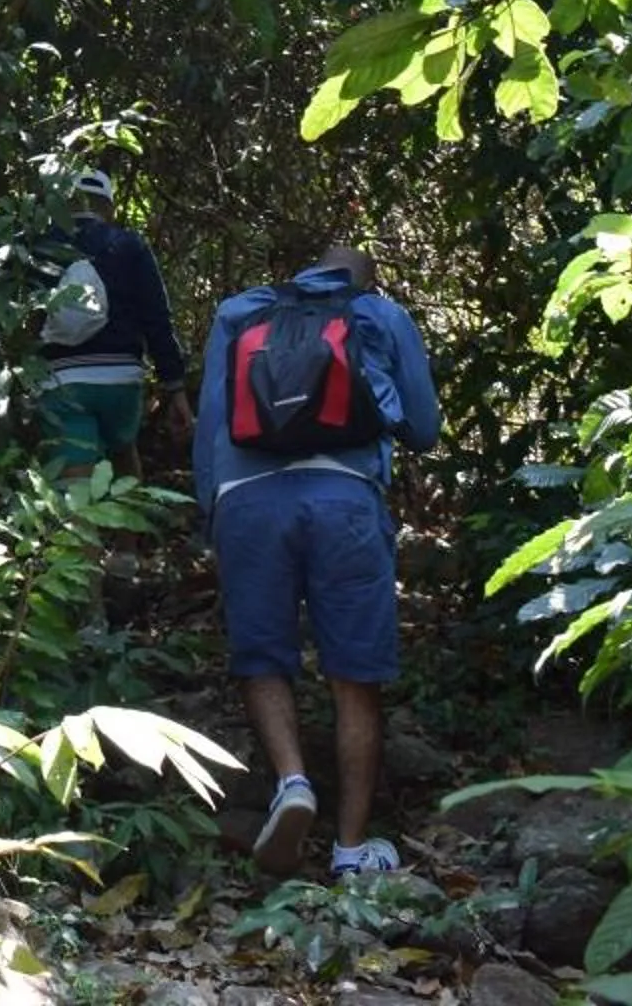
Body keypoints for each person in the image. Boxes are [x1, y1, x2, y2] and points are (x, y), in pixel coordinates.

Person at [192, 242, 439, 880]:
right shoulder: (379, 315)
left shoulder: (239, 312)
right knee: (355, 671)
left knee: (263, 655)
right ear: (362, 278)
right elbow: (424, 428)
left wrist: (213, 511)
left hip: (248, 503)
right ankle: (352, 849)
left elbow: (212, 427)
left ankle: (293, 782)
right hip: (343, 500)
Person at [33, 168, 191, 483]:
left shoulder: (40, 247)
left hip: (62, 381)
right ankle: (128, 533)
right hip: (122, 379)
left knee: (75, 483)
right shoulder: (129, 246)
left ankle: (78, 529)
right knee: (123, 455)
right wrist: (174, 387)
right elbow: (157, 319)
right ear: (109, 207)